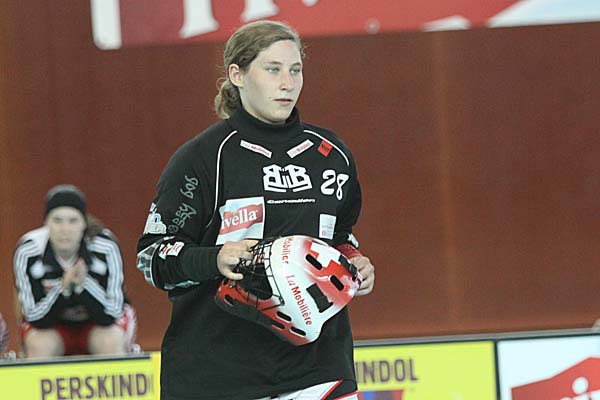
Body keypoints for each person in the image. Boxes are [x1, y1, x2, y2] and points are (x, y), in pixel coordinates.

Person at [136, 20, 375, 400]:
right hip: (218, 374)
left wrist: (354, 261)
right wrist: (215, 258)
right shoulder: (203, 159)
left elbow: (340, 237)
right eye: (273, 69)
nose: (288, 83)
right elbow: (152, 258)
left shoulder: (331, 155)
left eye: (295, 70)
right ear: (238, 75)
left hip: (320, 369)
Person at [13, 184, 136, 358]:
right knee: (39, 345)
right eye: (57, 220)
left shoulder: (106, 247)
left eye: (73, 221)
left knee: (110, 342)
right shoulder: (28, 251)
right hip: (51, 327)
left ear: (84, 223)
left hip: (99, 324)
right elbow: (34, 317)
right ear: (46, 223)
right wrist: (63, 289)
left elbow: (113, 313)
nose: (65, 229)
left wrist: (83, 285)